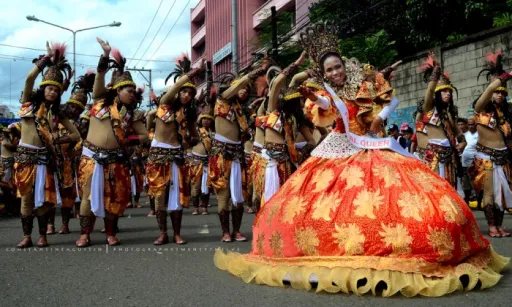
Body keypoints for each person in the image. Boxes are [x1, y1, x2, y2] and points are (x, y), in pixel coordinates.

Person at [214, 22, 509, 296]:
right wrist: (312, 95)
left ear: (344, 64)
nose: (334, 73)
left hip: (371, 143)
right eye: (328, 70)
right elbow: (326, 106)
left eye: (337, 67)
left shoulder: (365, 82)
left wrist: (379, 118)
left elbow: (390, 100)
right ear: (323, 73)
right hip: (339, 147)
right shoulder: (325, 91)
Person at [75, 38, 148, 247]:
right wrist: (105, 55)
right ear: (118, 90)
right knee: (88, 198)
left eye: (134, 92)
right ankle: (85, 234)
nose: (133, 94)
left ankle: (110, 233)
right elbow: (99, 79)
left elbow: (144, 137)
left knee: (114, 197)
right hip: (91, 158)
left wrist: (128, 138)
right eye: (129, 91)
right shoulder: (99, 102)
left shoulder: (132, 115)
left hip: (116, 160)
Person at [15, 42, 80, 248]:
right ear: (43, 88)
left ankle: (43, 235)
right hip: (25, 158)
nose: (52, 92)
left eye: (56, 90)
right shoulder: (28, 103)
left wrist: (56, 140)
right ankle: (27, 236)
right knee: (26, 199)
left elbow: (75, 134)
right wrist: (46, 59)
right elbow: (29, 78)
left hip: (45, 159)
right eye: (49, 88)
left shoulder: (57, 113)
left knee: (44, 200)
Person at [208, 60, 270, 242]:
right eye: (240, 88)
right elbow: (239, 84)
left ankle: (236, 230)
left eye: (246, 88)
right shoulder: (222, 99)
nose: (243, 90)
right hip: (221, 154)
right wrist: (258, 70)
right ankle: (225, 231)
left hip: (237, 155)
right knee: (224, 195)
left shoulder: (240, 111)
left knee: (240, 195)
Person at [146, 54, 202, 245]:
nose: (187, 95)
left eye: (191, 94)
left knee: (177, 196)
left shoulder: (188, 114)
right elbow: (175, 87)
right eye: (184, 92)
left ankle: (177, 233)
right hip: (158, 156)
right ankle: (163, 233)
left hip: (177, 157)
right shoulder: (165, 105)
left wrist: (190, 141)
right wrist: (192, 74)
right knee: (159, 196)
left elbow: (196, 136)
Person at [469, 50, 512, 238]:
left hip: (503, 158)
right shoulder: (480, 110)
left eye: (502, 93)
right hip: (486, 158)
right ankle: (492, 226)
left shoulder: (505, 116)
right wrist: (503, 77)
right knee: (489, 194)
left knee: (502, 195)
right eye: (496, 93)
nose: (499, 95)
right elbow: (487, 93)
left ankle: (500, 226)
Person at [420, 53, 466, 187]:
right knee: (435, 189)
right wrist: (436, 69)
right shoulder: (429, 108)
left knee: (450, 187)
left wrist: (463, 143)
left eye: (449, 91)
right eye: (444, 91)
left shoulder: (449, 114)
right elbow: (429, 91)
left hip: (449, 156)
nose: (448, 94)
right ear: (437, 93)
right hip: (432, 156)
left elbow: (460, 135)